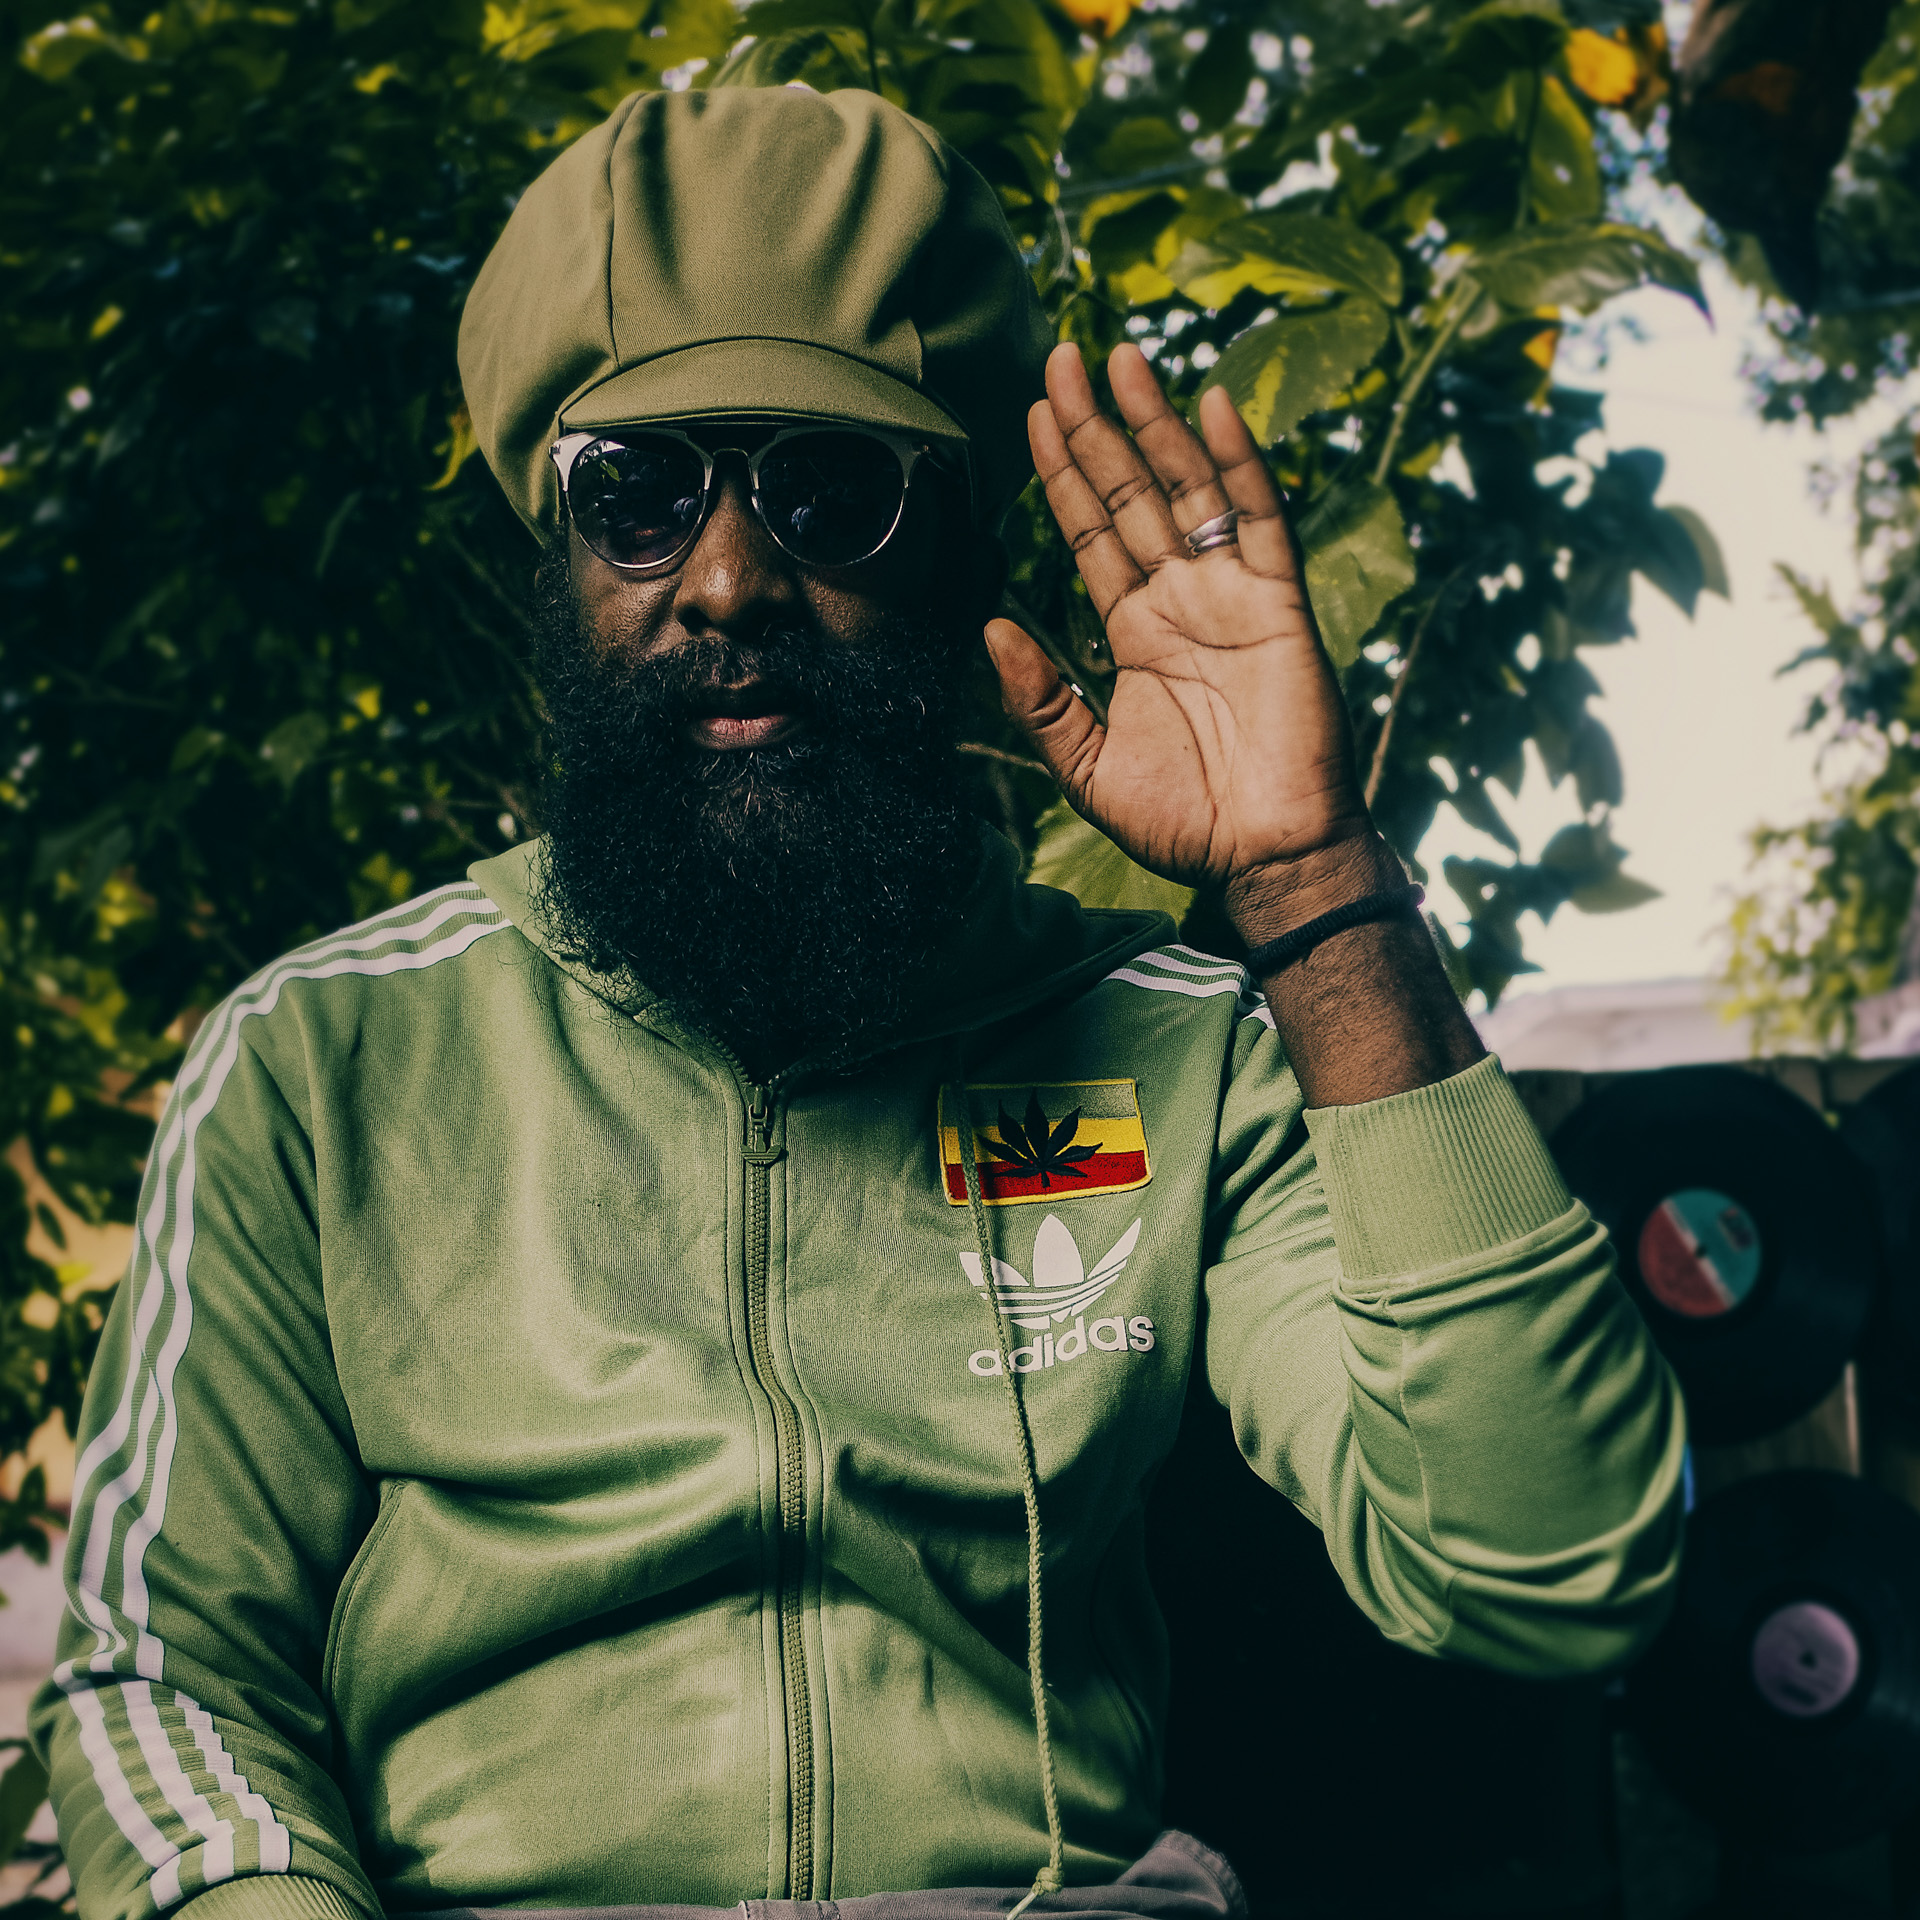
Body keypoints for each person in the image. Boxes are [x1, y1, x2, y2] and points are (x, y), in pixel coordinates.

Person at [35, 85, 1684, 1920]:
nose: (729, 580)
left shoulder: (1188, 1050)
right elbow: (162, 1683)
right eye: (641, 496)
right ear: (556, 559)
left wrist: (1311, 888)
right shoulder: (322, 1063)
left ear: (963, 556)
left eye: (828, 491)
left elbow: (1550, 1568)